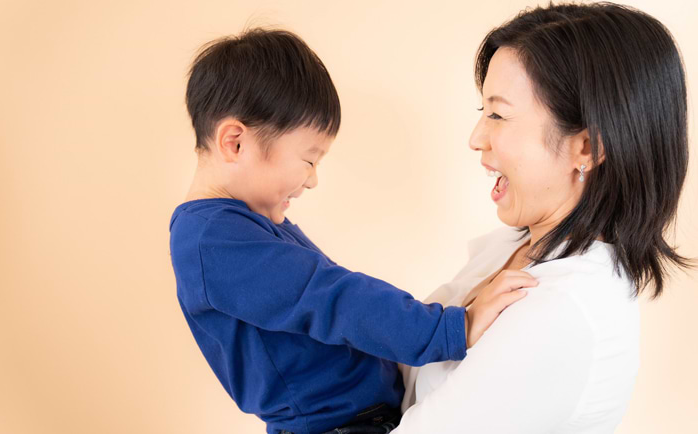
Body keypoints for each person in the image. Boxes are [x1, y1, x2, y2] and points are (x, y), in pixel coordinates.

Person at [168, 29, 536, 434]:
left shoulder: (238, 225)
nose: (311, 181)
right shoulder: (215, 240)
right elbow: (335, 297)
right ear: (235, 143)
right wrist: (453, 328)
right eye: (309, 160)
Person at [394, 1, 692, 433]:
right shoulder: (514, 246)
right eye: (483, 112)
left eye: (498, 114)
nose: (476, 137)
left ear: (586, 148)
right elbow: (402, 358)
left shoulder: (564, 313)